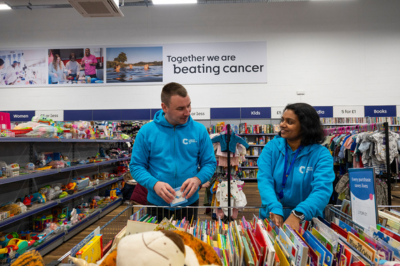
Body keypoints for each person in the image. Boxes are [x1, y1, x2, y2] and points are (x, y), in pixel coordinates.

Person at [129, 82, 217, 220]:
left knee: (186, 241)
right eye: (181, 108)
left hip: (189, 204)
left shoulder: (199, 131)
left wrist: (198, 179)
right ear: (164, 107)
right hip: (157, 204)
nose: (187, 112)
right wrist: (154, 184)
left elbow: (210, 163)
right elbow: (136, 166)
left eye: (189, 105)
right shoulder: (146, 132)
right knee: (158, 241)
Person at [257, 103, 334, 231]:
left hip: (305, 223)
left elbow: (322, 190)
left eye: (290, 122)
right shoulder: (271, 147)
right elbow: (265, 180)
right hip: (271, 218)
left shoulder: (321, 154)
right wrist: (274, 207)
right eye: (282, 120)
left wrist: (298, 214)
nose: (282, 124)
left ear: (305, 126)